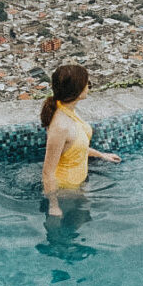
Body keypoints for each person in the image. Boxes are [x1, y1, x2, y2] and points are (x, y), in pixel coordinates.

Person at [41, 64, 121, 216]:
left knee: (85, 220)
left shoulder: (69, 111)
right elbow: (47, 173)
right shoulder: (60, 126)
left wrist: (102, 155)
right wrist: (53, 205)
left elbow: (75, 148)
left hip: (79, 182)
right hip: (66, 191)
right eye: (87, 83)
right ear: (76, 91)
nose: (89, 86)